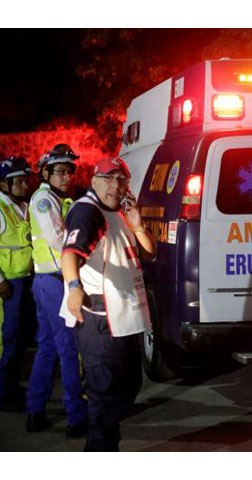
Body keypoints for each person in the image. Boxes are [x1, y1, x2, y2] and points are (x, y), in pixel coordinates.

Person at [60, 157, 155, 452]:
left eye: (122, 179)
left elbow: (149, 253)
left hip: (126, 317)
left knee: (127, 389)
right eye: (109, 178)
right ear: (94, 181)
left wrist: (138, 226)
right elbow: (70, 254)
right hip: (101, 321)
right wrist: (74, 287)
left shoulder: (121, 212)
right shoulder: (89, 212)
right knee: (105, 400)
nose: (116, 185)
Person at [25, 144, 88, 436]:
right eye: (61, 171)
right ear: (46, 172)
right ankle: (76, 418)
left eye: (70, 172)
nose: (67, 177)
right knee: (67, 347)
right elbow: (59, 239)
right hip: (53, 281)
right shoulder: (43, 200)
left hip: (47, 282)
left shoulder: (58, 198)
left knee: (48, 347)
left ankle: (35, 411)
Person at [0, 157, 34, 412]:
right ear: (4, 184)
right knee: (8, 340)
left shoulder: (21, 205)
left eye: (25, 180)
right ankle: (4, 394)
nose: (25, 185)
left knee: (21, 338)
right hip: (9, 283)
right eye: (18, 182)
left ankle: (11, 386)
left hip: (24, 280)